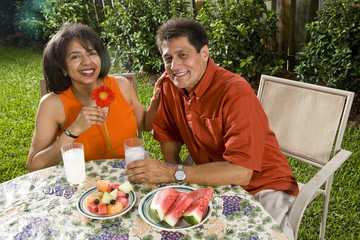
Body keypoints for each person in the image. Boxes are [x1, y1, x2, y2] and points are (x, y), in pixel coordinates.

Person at [125, 18, 299, 239]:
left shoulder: (236, 93)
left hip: (263, 184)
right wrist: (175, 171)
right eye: (168, 58)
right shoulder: (169, 85)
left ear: (204, 53)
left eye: (183, 55)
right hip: (210, 176)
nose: (175, 66)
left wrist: (174, 173)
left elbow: (242, 172)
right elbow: (168, 133)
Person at [27, 22, 162, 172]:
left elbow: (145, 124)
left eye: (92, 53)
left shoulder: (122, 86)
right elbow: (35, 166)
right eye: (75, 56)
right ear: (62, 67)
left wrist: (156, 101)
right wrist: (74, 129)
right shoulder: (52, 104)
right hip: (87, 184)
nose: (87, 62)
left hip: (131, 175)